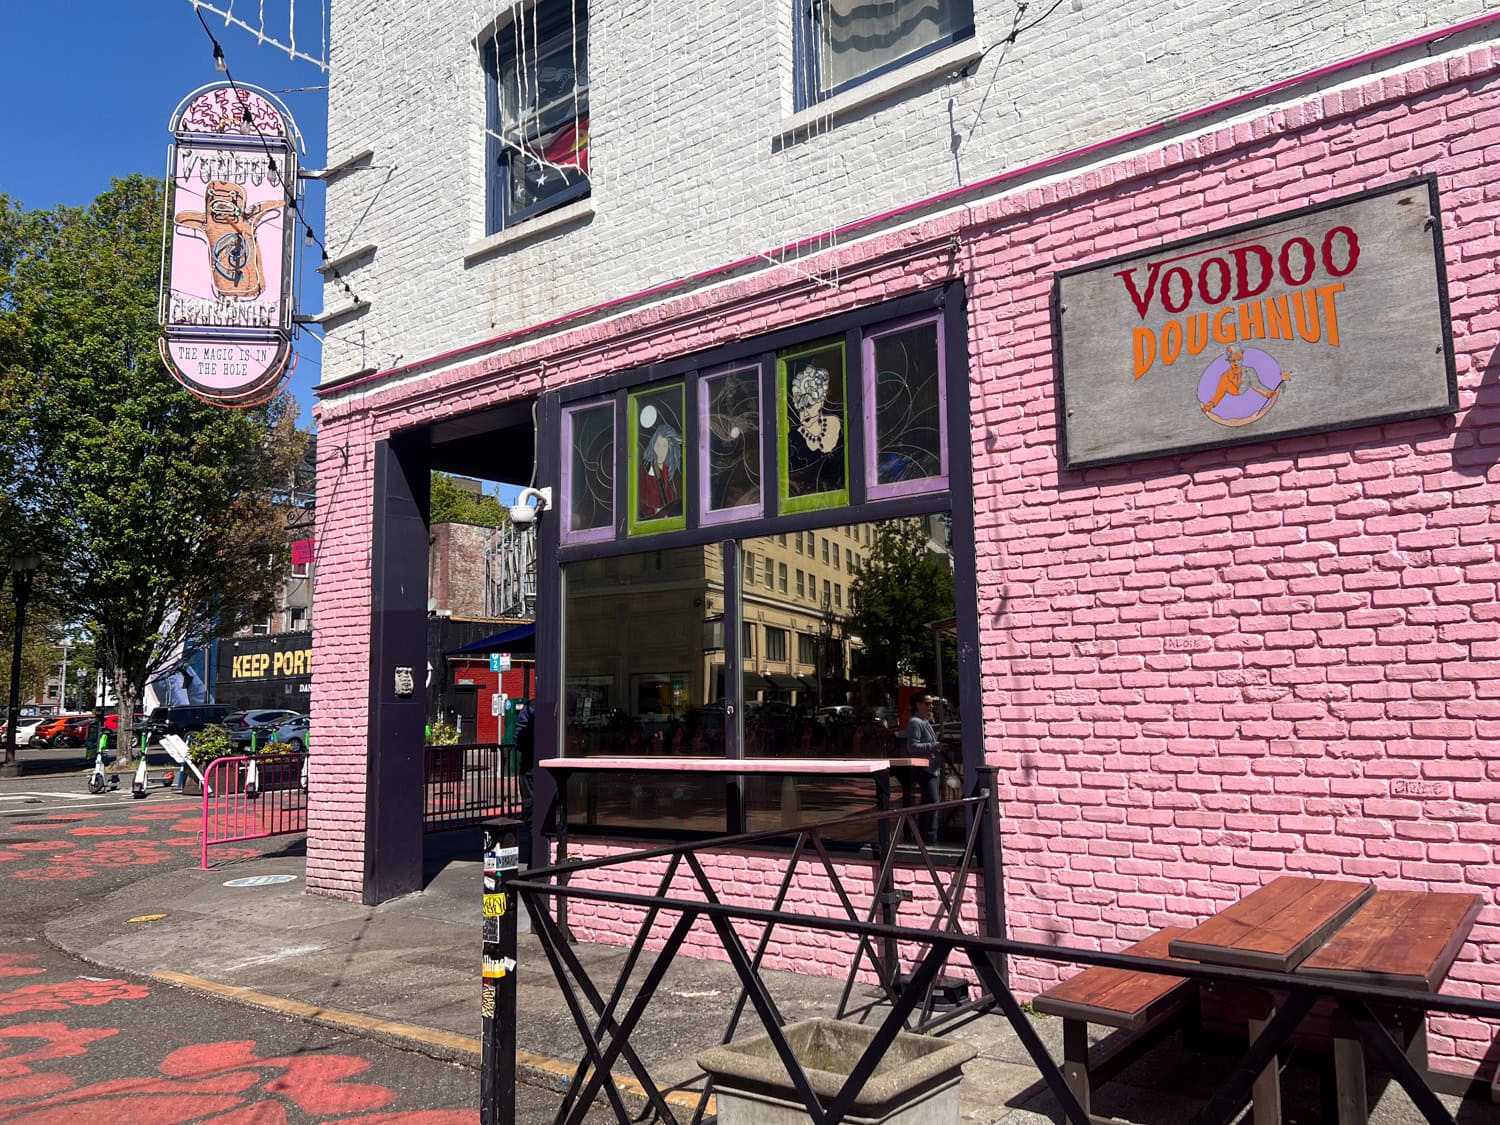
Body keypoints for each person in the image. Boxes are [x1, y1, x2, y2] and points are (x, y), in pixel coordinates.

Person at [906, 693, 940, 842]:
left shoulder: (925, 721)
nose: (930, 706)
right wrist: (934, 746)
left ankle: (925, 835)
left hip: (931, 768)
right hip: (924, 769)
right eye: (927, 703)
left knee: (929, 802)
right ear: (918, 705)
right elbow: (912, 747)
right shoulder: (916, 722)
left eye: (931, 703)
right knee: (932, 802)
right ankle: (927, 837)